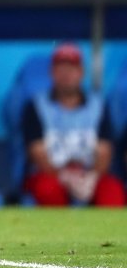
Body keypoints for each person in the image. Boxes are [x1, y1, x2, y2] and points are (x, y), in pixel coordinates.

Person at [21, 44, 125, 207]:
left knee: (112, 191)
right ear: (52, 73)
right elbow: (37, 152)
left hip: (90, 174)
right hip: (52, 175)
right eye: (60, 69)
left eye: (71, 69)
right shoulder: (36, 106)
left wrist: (91, 178)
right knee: (47, 190)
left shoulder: (98, 106)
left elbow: (105, 151)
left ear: (81, 73)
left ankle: (105, 233)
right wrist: (64, 177)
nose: (66, 75)